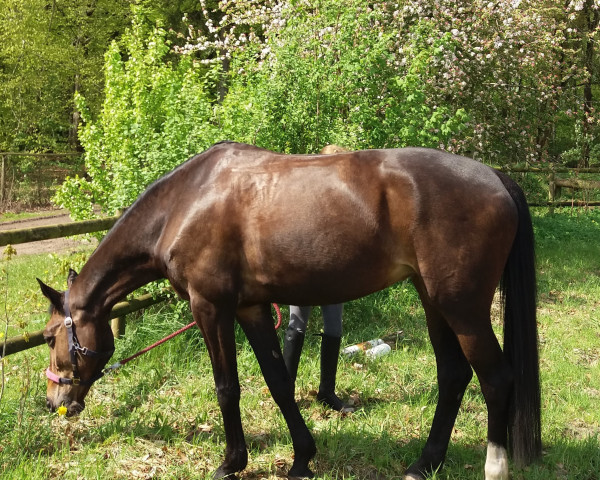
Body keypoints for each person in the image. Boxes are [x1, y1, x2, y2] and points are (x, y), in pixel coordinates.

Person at [283, 145, 354, 413]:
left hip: (333, 273)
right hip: (305, 271)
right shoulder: (302, 194)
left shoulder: (346, 197)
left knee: (334, 328)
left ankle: (326, 392)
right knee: (297, 324)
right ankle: (286, 390)